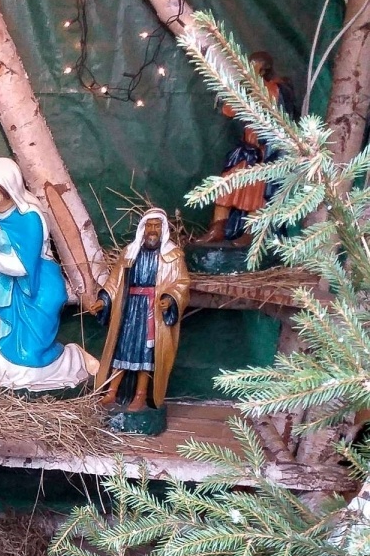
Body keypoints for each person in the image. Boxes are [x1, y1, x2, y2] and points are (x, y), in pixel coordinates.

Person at [0, 158, 94, 392]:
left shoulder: (29, 218)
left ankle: (75, 359)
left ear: (9, 190)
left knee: (27, 365)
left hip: (31, 289)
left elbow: (22, 268)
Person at [92, 208, 189, 416]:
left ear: (163, 229)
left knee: (147, 353)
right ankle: (111, 391)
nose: (152, 230)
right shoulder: (129, 253)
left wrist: (169, 298)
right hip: (129, 309)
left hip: (152, 311)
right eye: (149, 225)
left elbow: (181, 283)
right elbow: (115, 282)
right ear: (143, 228)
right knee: (122, 349)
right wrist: (103, 300)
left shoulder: (172, 256)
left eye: (157, 226)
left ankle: (140, 394)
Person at [195, 51, 297, 244]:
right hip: (245, 150)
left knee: (258, 195)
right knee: (225, 187)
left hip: (264, 155)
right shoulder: (246, 88)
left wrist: (247, 89)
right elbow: (229, 111)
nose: (247, 70)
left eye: (253, 66)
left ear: (263, 69)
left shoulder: (272, 89)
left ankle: (251, 233)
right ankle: (218, 228)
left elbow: (270, 109)